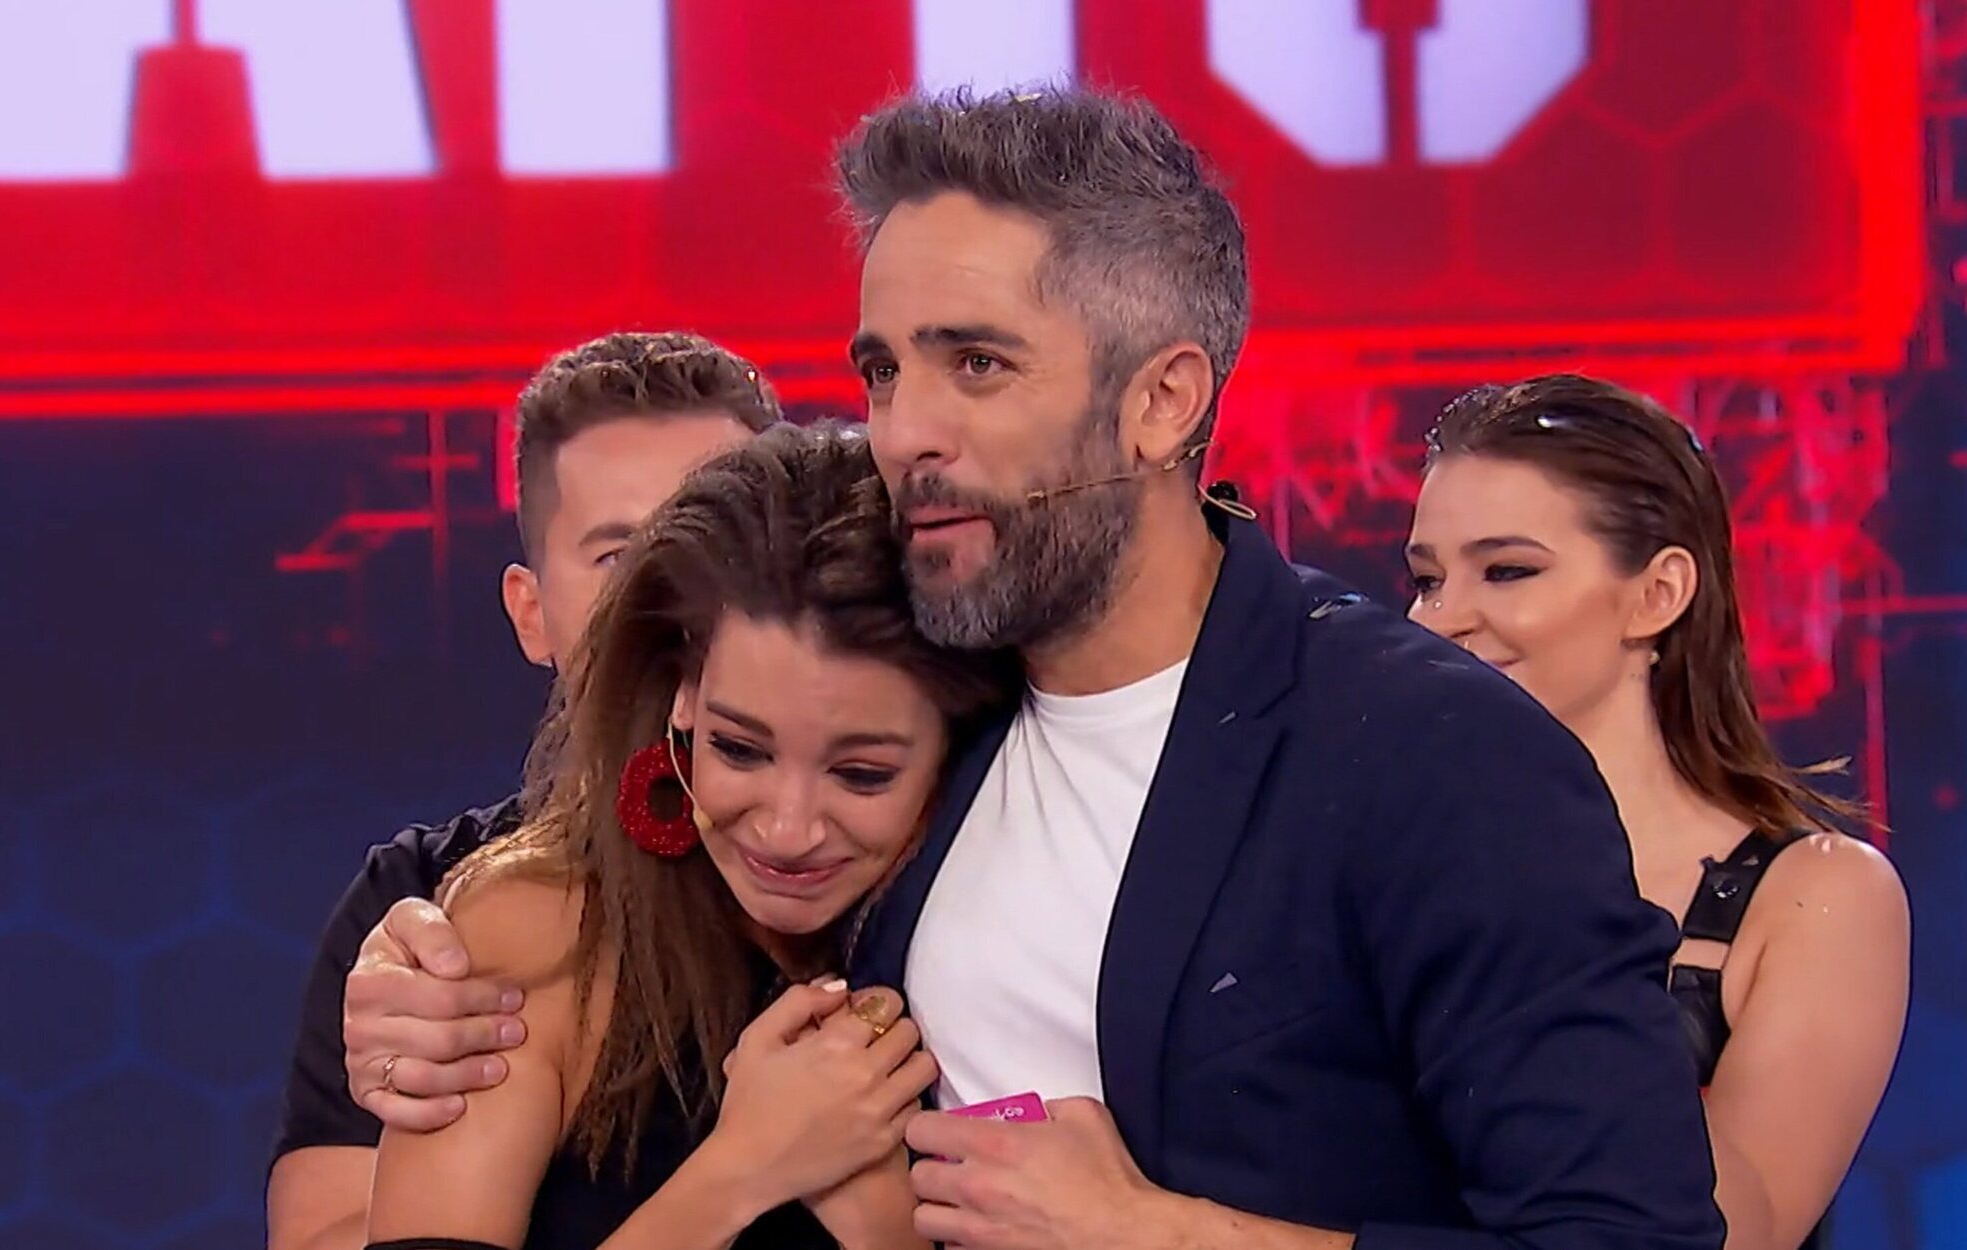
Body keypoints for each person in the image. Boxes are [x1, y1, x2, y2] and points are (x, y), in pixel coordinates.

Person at [339, 89, 1727, 1249]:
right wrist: (428, 958)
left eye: (978, 365)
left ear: (1163, 399)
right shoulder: (930, 688)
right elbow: (682, 837)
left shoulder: (1429, 753)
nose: (904, 431)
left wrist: (1162, 1234)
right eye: (884, 372)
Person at [364, 422, 1016, 1249]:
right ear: (683, 698)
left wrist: (886, 1229)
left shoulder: (1015, 943)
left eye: (861, 774)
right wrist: (743, 1171)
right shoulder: (536, 933)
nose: (787, 830)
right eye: (739, 749)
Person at [267, 331, 782, 1250]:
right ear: (530, 613)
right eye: (619, 556)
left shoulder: (906, 868)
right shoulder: (429, 919)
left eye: (721, 547)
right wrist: (743, 1174)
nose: (673, 599)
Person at [1404, 374, 1910, 1250]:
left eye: (1507, 570)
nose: (1440, 619)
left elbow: (1737, 1231)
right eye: (1426, 579)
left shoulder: (1820, 897)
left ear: (1658, 593)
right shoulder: (1389, 870)